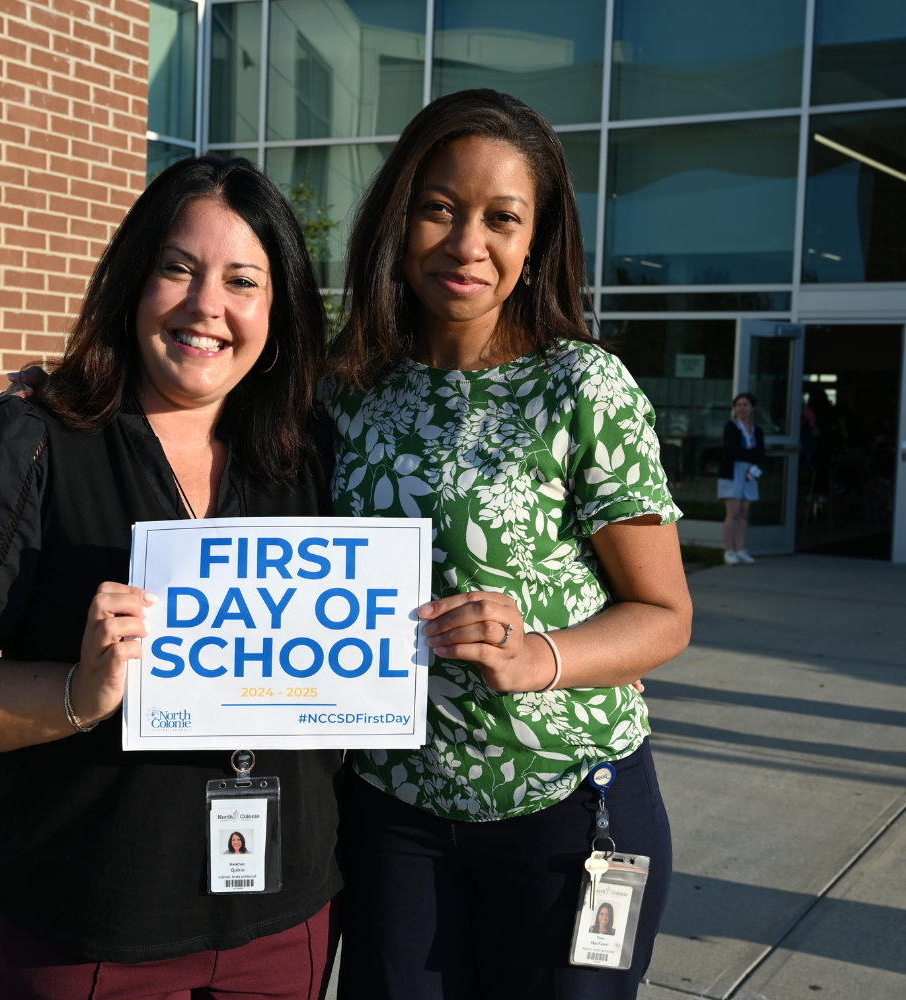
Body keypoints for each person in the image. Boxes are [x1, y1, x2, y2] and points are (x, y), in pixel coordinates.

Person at [0, 154, 342, 1000]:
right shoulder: (21, 447)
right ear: (131, 280)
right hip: (88, 925)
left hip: (285, 921)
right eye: (177, 269)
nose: (207, 306)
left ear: (281, 311)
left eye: (244, 281)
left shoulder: (311, 458)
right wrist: (79, 692)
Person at [321, 89, 693, 1000]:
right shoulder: (343, 389)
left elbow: (666, 614)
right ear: (397, 217)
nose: (465, 243)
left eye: (501, 218)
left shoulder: (582, 386)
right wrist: (69, 398)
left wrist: (543, 656)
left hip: (567, 812)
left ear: (536, 242)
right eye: (439, 207)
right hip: (391, 813)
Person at [718, 392, 764, 565]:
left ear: (752, 408)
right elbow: (733, 449)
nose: (741, 408)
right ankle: (728, 551)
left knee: (744, 512)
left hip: (749, 473)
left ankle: (741, 549)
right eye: (738, 405)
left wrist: (750, 456)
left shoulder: (757, 430)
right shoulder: (731, 427)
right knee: (733, 512)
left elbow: (761, 454)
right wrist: (751, 455)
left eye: (745, 405)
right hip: (732, 472)